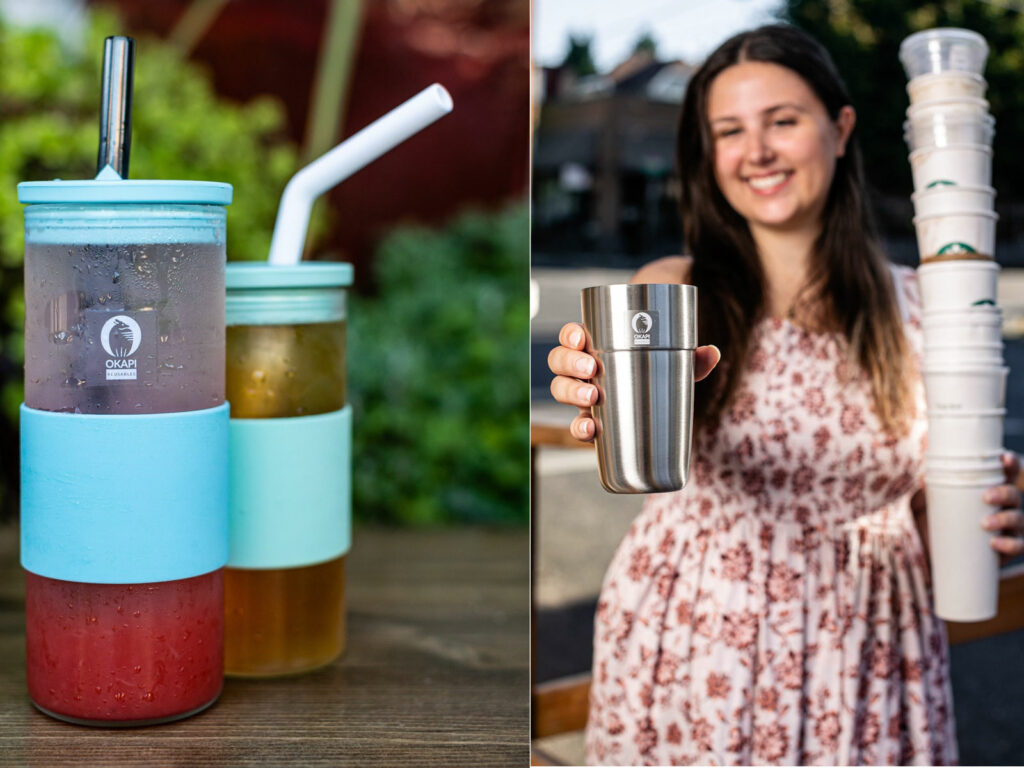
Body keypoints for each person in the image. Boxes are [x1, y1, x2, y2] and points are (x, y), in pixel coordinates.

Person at [547, 24, 1024, 766]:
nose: (757, 152)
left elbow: (936, 537)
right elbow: (628, 414)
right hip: (697, 644)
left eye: (783, 121)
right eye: (729, 131)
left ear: (840, 128)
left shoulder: (931, 307)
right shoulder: (674, 290)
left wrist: (980, 514)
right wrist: (601, 394)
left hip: (871, 653)